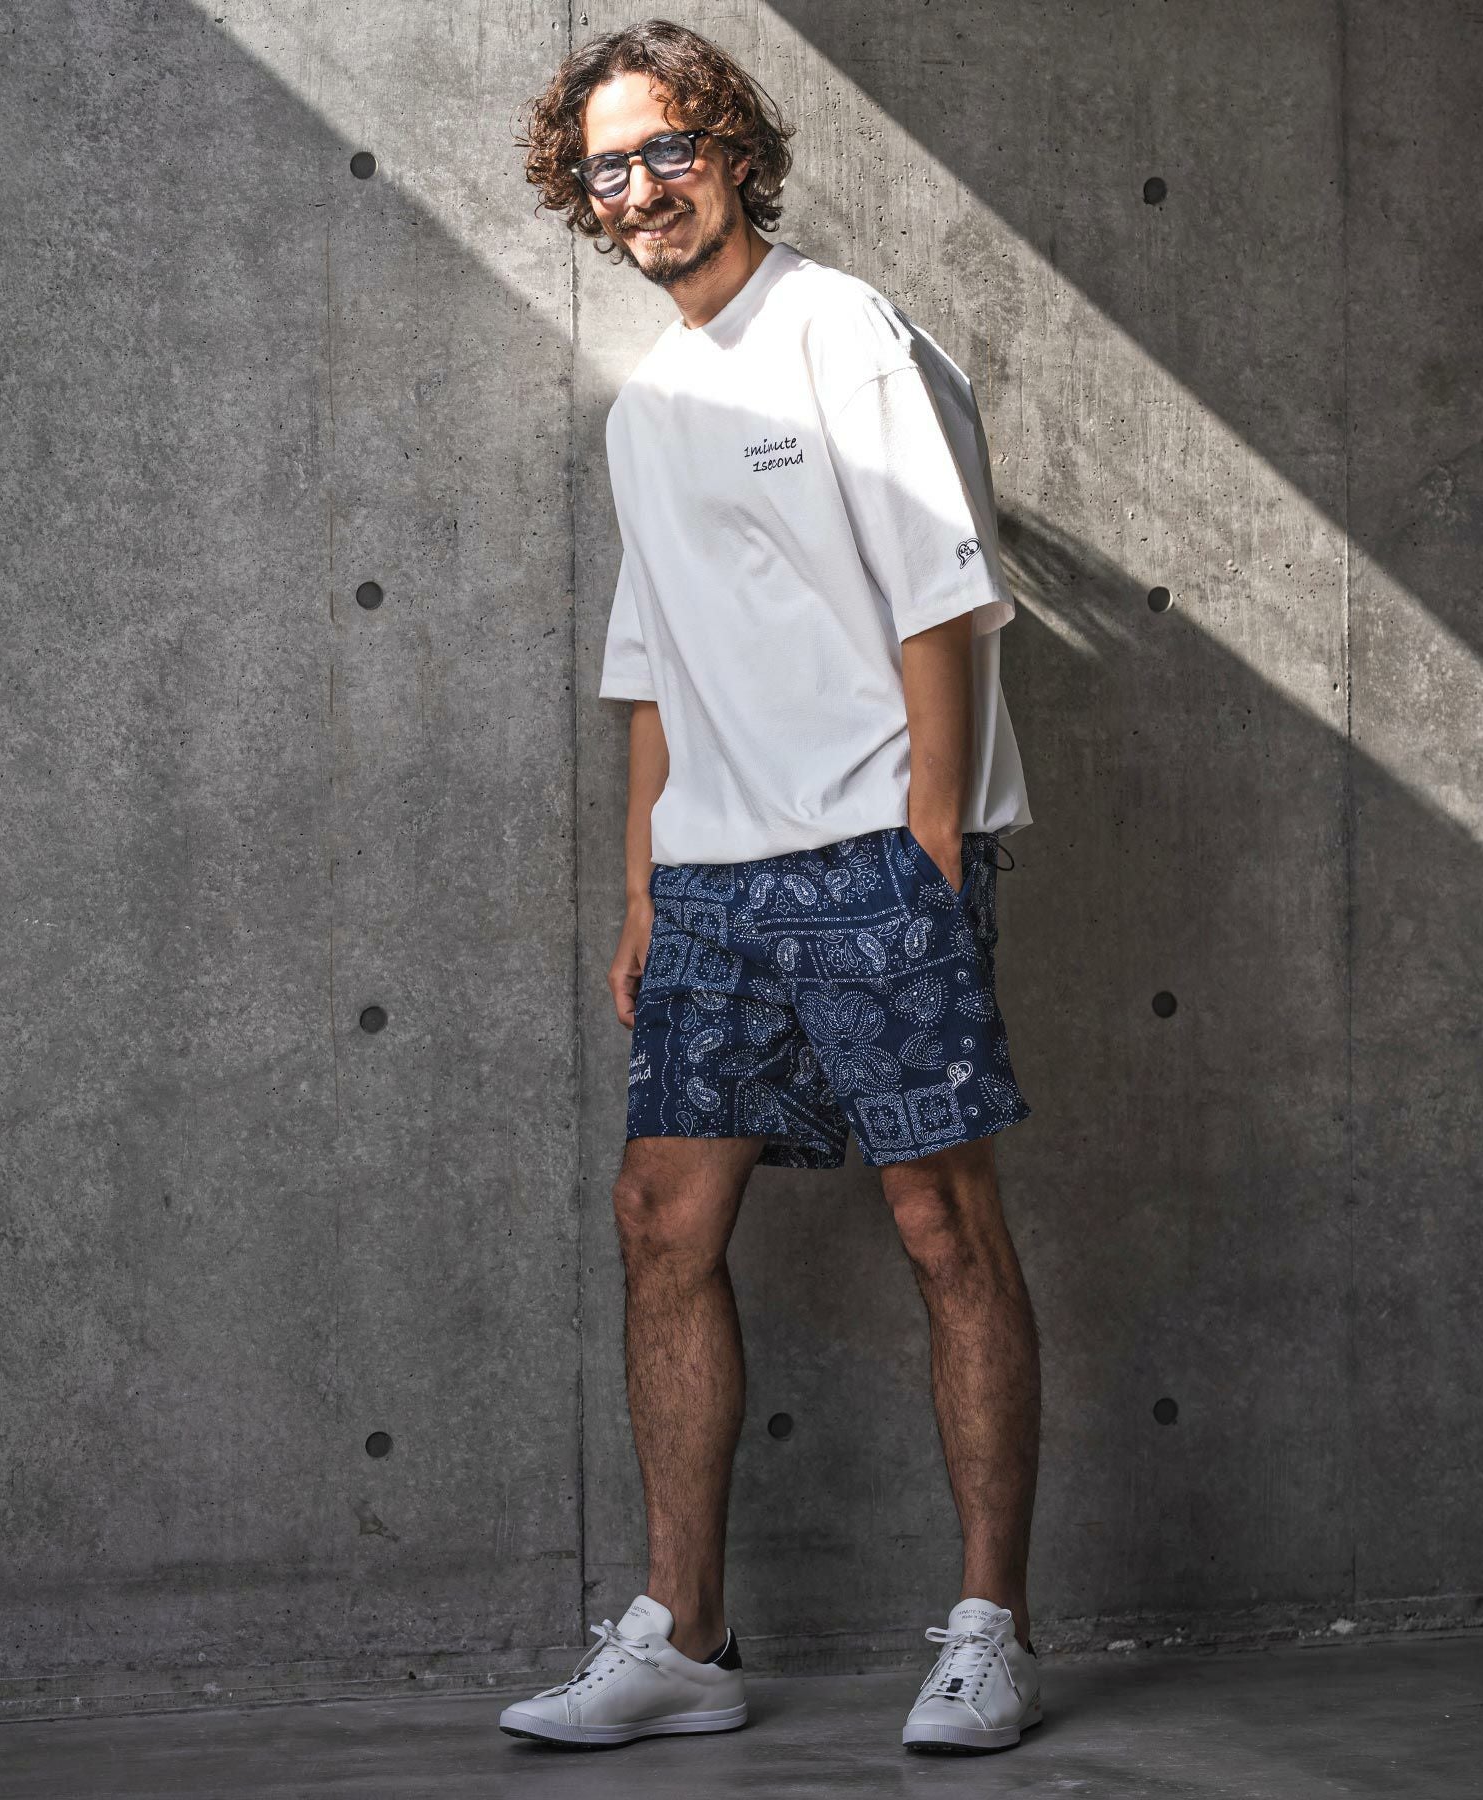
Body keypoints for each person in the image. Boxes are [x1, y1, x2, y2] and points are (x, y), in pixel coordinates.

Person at [505, 19, 1042, 1756]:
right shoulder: (650, 407)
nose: (641, 187)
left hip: (879, 848)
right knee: (659, 1219)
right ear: (585, 195)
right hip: (716, 882)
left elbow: (940, 597)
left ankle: (989, 1631)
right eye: (609, 166)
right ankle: (684, 1639)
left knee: (941, 1224)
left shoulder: (844, 334)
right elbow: (653, 671)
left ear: (732, 149)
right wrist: (645, 888)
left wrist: (932, 843)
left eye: (668, 148)